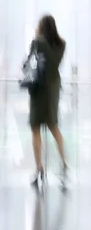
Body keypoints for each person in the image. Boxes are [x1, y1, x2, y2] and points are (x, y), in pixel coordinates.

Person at [28, 15, 67, 186]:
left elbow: (31, 61)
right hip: (53, 88)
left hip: (39, 88)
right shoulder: (61, 44)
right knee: (53, 125)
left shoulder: (38, 42)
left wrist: (37, 37)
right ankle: (64, 163)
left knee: (35, 128)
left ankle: (39, 168)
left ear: (42, 26)